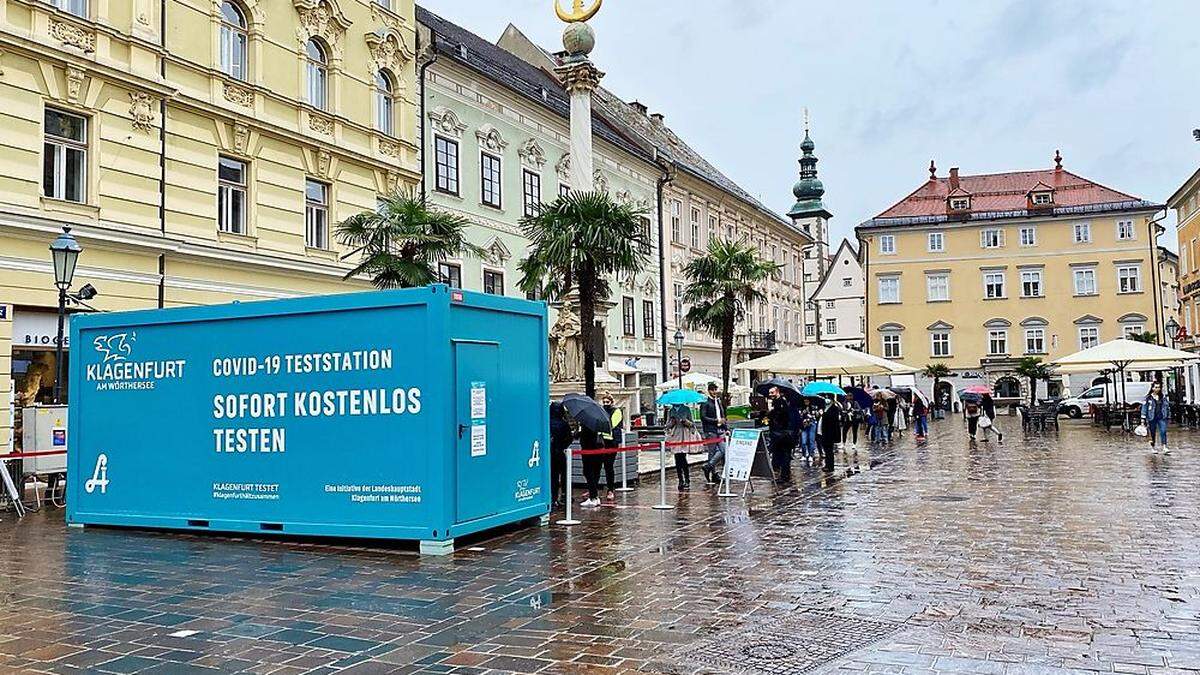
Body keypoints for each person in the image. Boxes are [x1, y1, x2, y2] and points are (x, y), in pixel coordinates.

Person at [766, 387, 795, 482]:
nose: (770, 394)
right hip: (779, 433)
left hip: (782, 434)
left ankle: (784, 475)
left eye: (772, 392)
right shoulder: (778, 402)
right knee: (780, 455)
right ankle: (783, 474)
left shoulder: (781, 403)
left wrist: (770, 411)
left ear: (777, 392)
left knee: (784, 455)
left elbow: (779, 417)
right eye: (770, 393)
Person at [700, 383, 727, 484]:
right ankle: (713, 473)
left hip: (720, 430)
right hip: (710, 430)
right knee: (712, 452)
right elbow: (703, 417)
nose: (716, 392)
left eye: (716, 390)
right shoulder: (705, 402)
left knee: (723, 450)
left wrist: (725, 427)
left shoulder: (718, 402)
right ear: (709, 391)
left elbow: (722, 415)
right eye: (714, 390)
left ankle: (708, 466)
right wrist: (716, 421)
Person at [599, 393, 623, 502]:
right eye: (603, 402)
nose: (605, 404)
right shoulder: (601, 411)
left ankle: (610, 489)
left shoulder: (616, 411)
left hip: (611, 442)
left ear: (611, 402)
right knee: (598, 466)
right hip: (601, 442)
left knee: (609, 466)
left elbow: (612, 424)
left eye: (607, 402)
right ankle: (594, 488)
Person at [666, 403, 696, 489]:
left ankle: (687, 479)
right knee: (677, 458)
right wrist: (672, 423)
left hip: (684, 435)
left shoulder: (686, 409)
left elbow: (692, 424)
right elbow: (667, 425)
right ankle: (680, 480)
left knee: (683, 458)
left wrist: (685, 421)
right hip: (675, 436)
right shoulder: (671, 410)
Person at [549, 402, 573, 508]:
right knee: (564, 475)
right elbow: (569, 438)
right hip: (560, 453)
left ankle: (553, 498)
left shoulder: (546, 422)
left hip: (549, 454)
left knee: (552, 477)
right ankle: (565, 495)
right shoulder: (564, 424)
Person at [578, 423, 604, 507]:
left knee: (589, 473)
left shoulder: (587, 425)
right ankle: (595, 496)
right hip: (599, 450)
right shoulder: (599, 423)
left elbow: (585, 440)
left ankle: (593, 497)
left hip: (589, 452)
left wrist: (578, 433)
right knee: (596, 473)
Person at [1142, 381, 1170, 453]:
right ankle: (1153, 447)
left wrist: (1168, 415)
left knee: (1163, 431)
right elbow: (1144, 408)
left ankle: (1164, 446)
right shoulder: (1148, 398)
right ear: (1152, 388)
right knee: (1152, 432)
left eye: (1159, 387)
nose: (1157, 389)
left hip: (1161, 416)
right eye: (1156, 387)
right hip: (1152, 417)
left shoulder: (1163, 397)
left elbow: (1167, 406)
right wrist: (1143, 418)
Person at [817, 396, 840, 472]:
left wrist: (823, 414)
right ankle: (827, 465)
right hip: (823, 432)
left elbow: (832, 419)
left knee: (829, 450)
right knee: (826, 450)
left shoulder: (834, 408)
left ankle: (830, 466)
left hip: (830, 433)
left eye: (828, 398)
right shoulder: (825, 408)